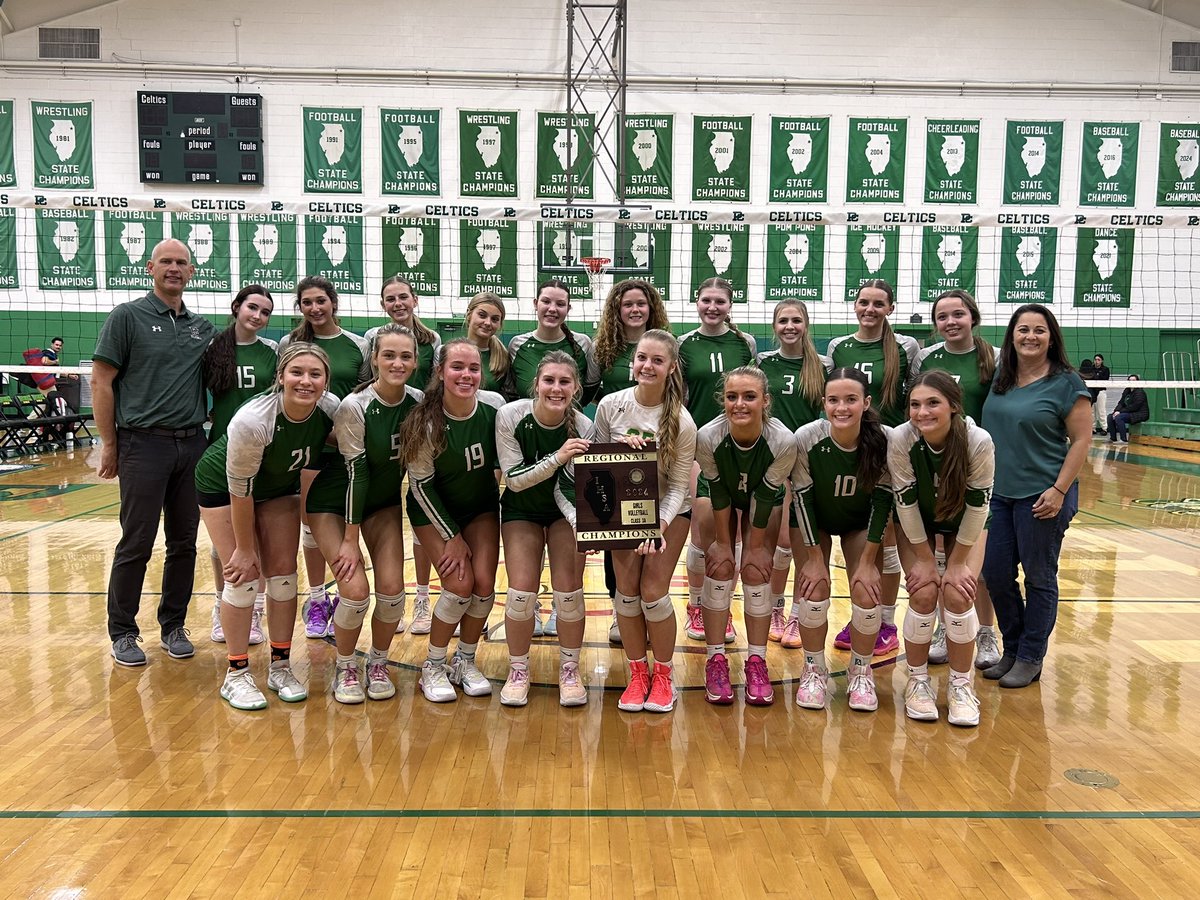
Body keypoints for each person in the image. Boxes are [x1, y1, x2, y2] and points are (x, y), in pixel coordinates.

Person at [194, 343, 340, 709]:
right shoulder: (253, 419)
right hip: (223, 488)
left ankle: (280, 665)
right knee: (242, 579)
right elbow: (240, 491)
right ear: (280, 377)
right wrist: (244, 549)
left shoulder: (329, 409)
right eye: (297, 372)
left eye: (315, 374)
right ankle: (237, 674)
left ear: (325, 381)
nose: (305, 381)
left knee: (284, 577)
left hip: (277, 488)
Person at [92, 238, 216, 667]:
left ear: (192, 271)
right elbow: (101, 381)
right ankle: (123, 632)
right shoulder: (127, 316)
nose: (174, 268)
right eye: (166, 261)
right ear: (150, 268)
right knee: (137, 541)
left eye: (182, 262)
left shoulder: (203, 328)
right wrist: (110, 444)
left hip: (191, 445)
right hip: (142, 444)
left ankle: (173, 625)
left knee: (184, 542)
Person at [305, 325, 424, 703]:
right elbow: (358, 472)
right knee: (355, 592)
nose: (397, 362)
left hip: (382, 502)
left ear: (416, 362)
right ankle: (345, 665)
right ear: (374, 359)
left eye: (405, 356)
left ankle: (377, 662)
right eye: (388, 355)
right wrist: (349, 540)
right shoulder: (354, 406)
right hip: (333, 503)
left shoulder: (417, 402)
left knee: (391, 592)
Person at [982, 304, 1091, 689]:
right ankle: (1011, 648)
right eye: (1023, 329)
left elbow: (1081, 440)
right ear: (1011, 335)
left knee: (1040, 577)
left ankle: (1031, 656)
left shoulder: (1067, 383)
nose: (1030, 336)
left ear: (1051, 337)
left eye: (1039, 330)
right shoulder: (1001, 376)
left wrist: (1060, 490)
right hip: (998, 495)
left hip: (1043, 495)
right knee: (994, 573)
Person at [591, 330, 697, 713]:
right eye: (641, 358)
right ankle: (638, 675)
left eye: (656, 360)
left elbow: (680, 489)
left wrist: (658, 527)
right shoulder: (610, 405)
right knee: (627, 591)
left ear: (670, 368)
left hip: (669, 512)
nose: (647, 366)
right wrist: (619, 453)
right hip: (623, 512)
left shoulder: (683, 423)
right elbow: (595, 464)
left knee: (653, 591)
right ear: (632, 362)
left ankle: (664, 675)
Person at [400, 340, 505, 703]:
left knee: (485, 586)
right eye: (457, 367)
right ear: (441, 372)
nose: (466, 375)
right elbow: (421, 486)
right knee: (460, 584)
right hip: (434, 511)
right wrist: (452, 536)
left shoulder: (495, 408)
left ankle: (465, 660)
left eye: (474, 368)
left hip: (480, 508)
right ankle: (432, 664)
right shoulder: (424, 421)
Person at [889, 371, 995, 726]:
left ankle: (962, 686)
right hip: (917, 524)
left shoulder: (977, 441)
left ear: (952, 406)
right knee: (922, 592)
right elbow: (904, 506)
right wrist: (923, 560)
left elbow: (979, 507)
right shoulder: (901, 439)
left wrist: (957, 564)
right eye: (915, 405)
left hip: (966, 525)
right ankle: (918, 683)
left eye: (933, 403)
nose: (922, 412)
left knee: (957, 594)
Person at [790, 368, 892, 712]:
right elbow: (801, 498)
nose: (842, 407)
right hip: (813, 520)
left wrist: (867, 563)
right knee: (814, 586)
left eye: (851, 400)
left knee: (866, 588)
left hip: (858, 522)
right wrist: (815, 557)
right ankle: (813, 668)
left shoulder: (883, 440)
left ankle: (861, 671)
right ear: (823, 403)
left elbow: (882, 502)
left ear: (866, 403)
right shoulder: (807, 437)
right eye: (833, 400)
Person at [826, 279, 919, 656]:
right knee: (868, 533)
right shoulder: (839, 347)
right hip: (856, 446)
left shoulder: (905, 347)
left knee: (889, 538)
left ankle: (886, 620)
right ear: (854, 305)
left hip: (891, 447)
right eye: (863, 302)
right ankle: (865, 616)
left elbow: (913, 395)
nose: (870, 309)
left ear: (890, 309)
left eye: (878, 304)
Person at [495, 352, 594, 707]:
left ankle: (570, 670)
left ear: (576, 387)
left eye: (564, 382)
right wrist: (558, 456)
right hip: (521, 509)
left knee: (569, 592)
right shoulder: (510, 415)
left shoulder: (584, 427)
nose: (556, 388)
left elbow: (573, 488)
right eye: (549, 380)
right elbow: (515, 480)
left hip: (563, 512)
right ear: (536, 384)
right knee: (521, 593)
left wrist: (584, 527)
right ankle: (518, 670)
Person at [695, 366, 797, 705]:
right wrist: (724, 544)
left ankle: (757, 660)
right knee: (720, 566)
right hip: (718, 493)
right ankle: (716, 659)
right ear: (722, 400)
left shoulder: (782, 440)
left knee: (755, 570)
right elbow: (719, 492)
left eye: (749, 397)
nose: (740, 404)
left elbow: (766, 495)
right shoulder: (708, 436)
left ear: (765, 401)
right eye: (732, 397)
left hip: (762, 496)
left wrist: (754, 547)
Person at [277, 276, 371, 641]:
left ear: (333, 302)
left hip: (348, 448)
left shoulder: (358, 345)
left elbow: (363, 393)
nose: (315, 308)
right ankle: (317, 600)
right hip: (308, 447)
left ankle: (349, 594)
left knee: (350, 522)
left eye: (321, 301)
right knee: (310, 528)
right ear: (300, 307)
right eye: (307, 303)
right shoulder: (292, 344)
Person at [913, 289, 1002, 670]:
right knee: (938, 553)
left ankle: (985, 632)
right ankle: (940, 627)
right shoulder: (926, 358)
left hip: (974, 461)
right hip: (935, 464)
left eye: (958, 314)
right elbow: (920, 407)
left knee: (971, 562)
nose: (950, 322)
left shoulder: (993, 357)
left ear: (973, 317)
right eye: (943, 317)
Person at [507, 279, 600, 634]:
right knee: (521, 585)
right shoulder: (518, 345)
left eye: (560, 303)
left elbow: (591, 384)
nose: (552, 308)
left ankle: (563, 617)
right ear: (535, 303)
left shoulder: (582, 346)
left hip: (564, 495)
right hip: (523, 494)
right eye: (546, 301)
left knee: (569, 585)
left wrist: (586, 525)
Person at [678, 277, 757, 645]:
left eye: (720, 301)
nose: (712, 307)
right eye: (706, 300)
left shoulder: (745, 344)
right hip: (699, 444)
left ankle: (721, 608)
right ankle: (697, 605)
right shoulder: (683, 345)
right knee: (705, 524)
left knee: (737, 530)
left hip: (740, 445)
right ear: (697, 302)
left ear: (730, 305)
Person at [591, 278, 670, 642]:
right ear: (616, 310)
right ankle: (617, 608)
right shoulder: (603, 350)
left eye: (641, 303)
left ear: (651, 307)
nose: (635, 310)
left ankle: (645, 611)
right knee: (615, 537)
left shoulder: (667, 347)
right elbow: (585, 396)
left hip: (658, 454)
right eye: (627, 304)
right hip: (616, 447)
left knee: (651, 540)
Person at [200, 285, 278, 646]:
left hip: (262, 451)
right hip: (221, 449)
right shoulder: (213, 348)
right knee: (224, 545)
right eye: (252, 308)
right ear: (237, 307)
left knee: (256, 534)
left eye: (265, 312)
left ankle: (255, 610)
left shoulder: (273, 353)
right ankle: (222, 605)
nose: (258, 316)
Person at [757, 299, 831, 647]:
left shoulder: (822, 366)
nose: (790, 326)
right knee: (777, 545)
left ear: (806, 325)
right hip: (773, 458)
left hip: (809, 462)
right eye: (783, 320)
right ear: (774, 326)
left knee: (800, 541)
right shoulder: (761, 364)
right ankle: (775, 607)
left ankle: (800, 614)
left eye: (796, 320)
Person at [364, 277, 441, 390]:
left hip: (419, 405)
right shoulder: (372, 336)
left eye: (403, 297)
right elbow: (367, 380)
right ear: (383, 305)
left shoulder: (432, 339)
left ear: (415, 300)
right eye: (390, 299)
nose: (398, 303)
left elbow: (434, 383)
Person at [464, 292, 511, 395]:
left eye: (494, 319)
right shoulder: (450, 351)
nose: (488, 323)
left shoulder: (503, 359)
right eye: (482, 315)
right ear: (469, 314)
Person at [1107, 374, 1149, 443]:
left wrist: (1120, 412)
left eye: (1133, 380)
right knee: (1110, 417)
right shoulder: (1127, 391)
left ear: (1138, 382)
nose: (1131, 382)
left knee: (1119, 417)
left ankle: (1123, 439)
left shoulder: (1140, 392)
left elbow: (1135, 407)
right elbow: (1121, 403)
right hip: (1130, 412)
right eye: (1130, 380)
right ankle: (1113, 438)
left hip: (1140, 414)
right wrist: (1116, 411)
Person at [1090, 353, 1111, 435]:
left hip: (1101, 391)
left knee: (1101, 411)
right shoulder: (1090, 369)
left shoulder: (1105, 369)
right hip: (1092, 392)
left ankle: (1104, 428)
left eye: (1098, 360)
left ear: (1102, 361)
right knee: (1092, 411)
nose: (1096, 361)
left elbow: (1104, 379)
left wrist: (1096, 376)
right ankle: (1093, 428)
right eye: (1095, 359)